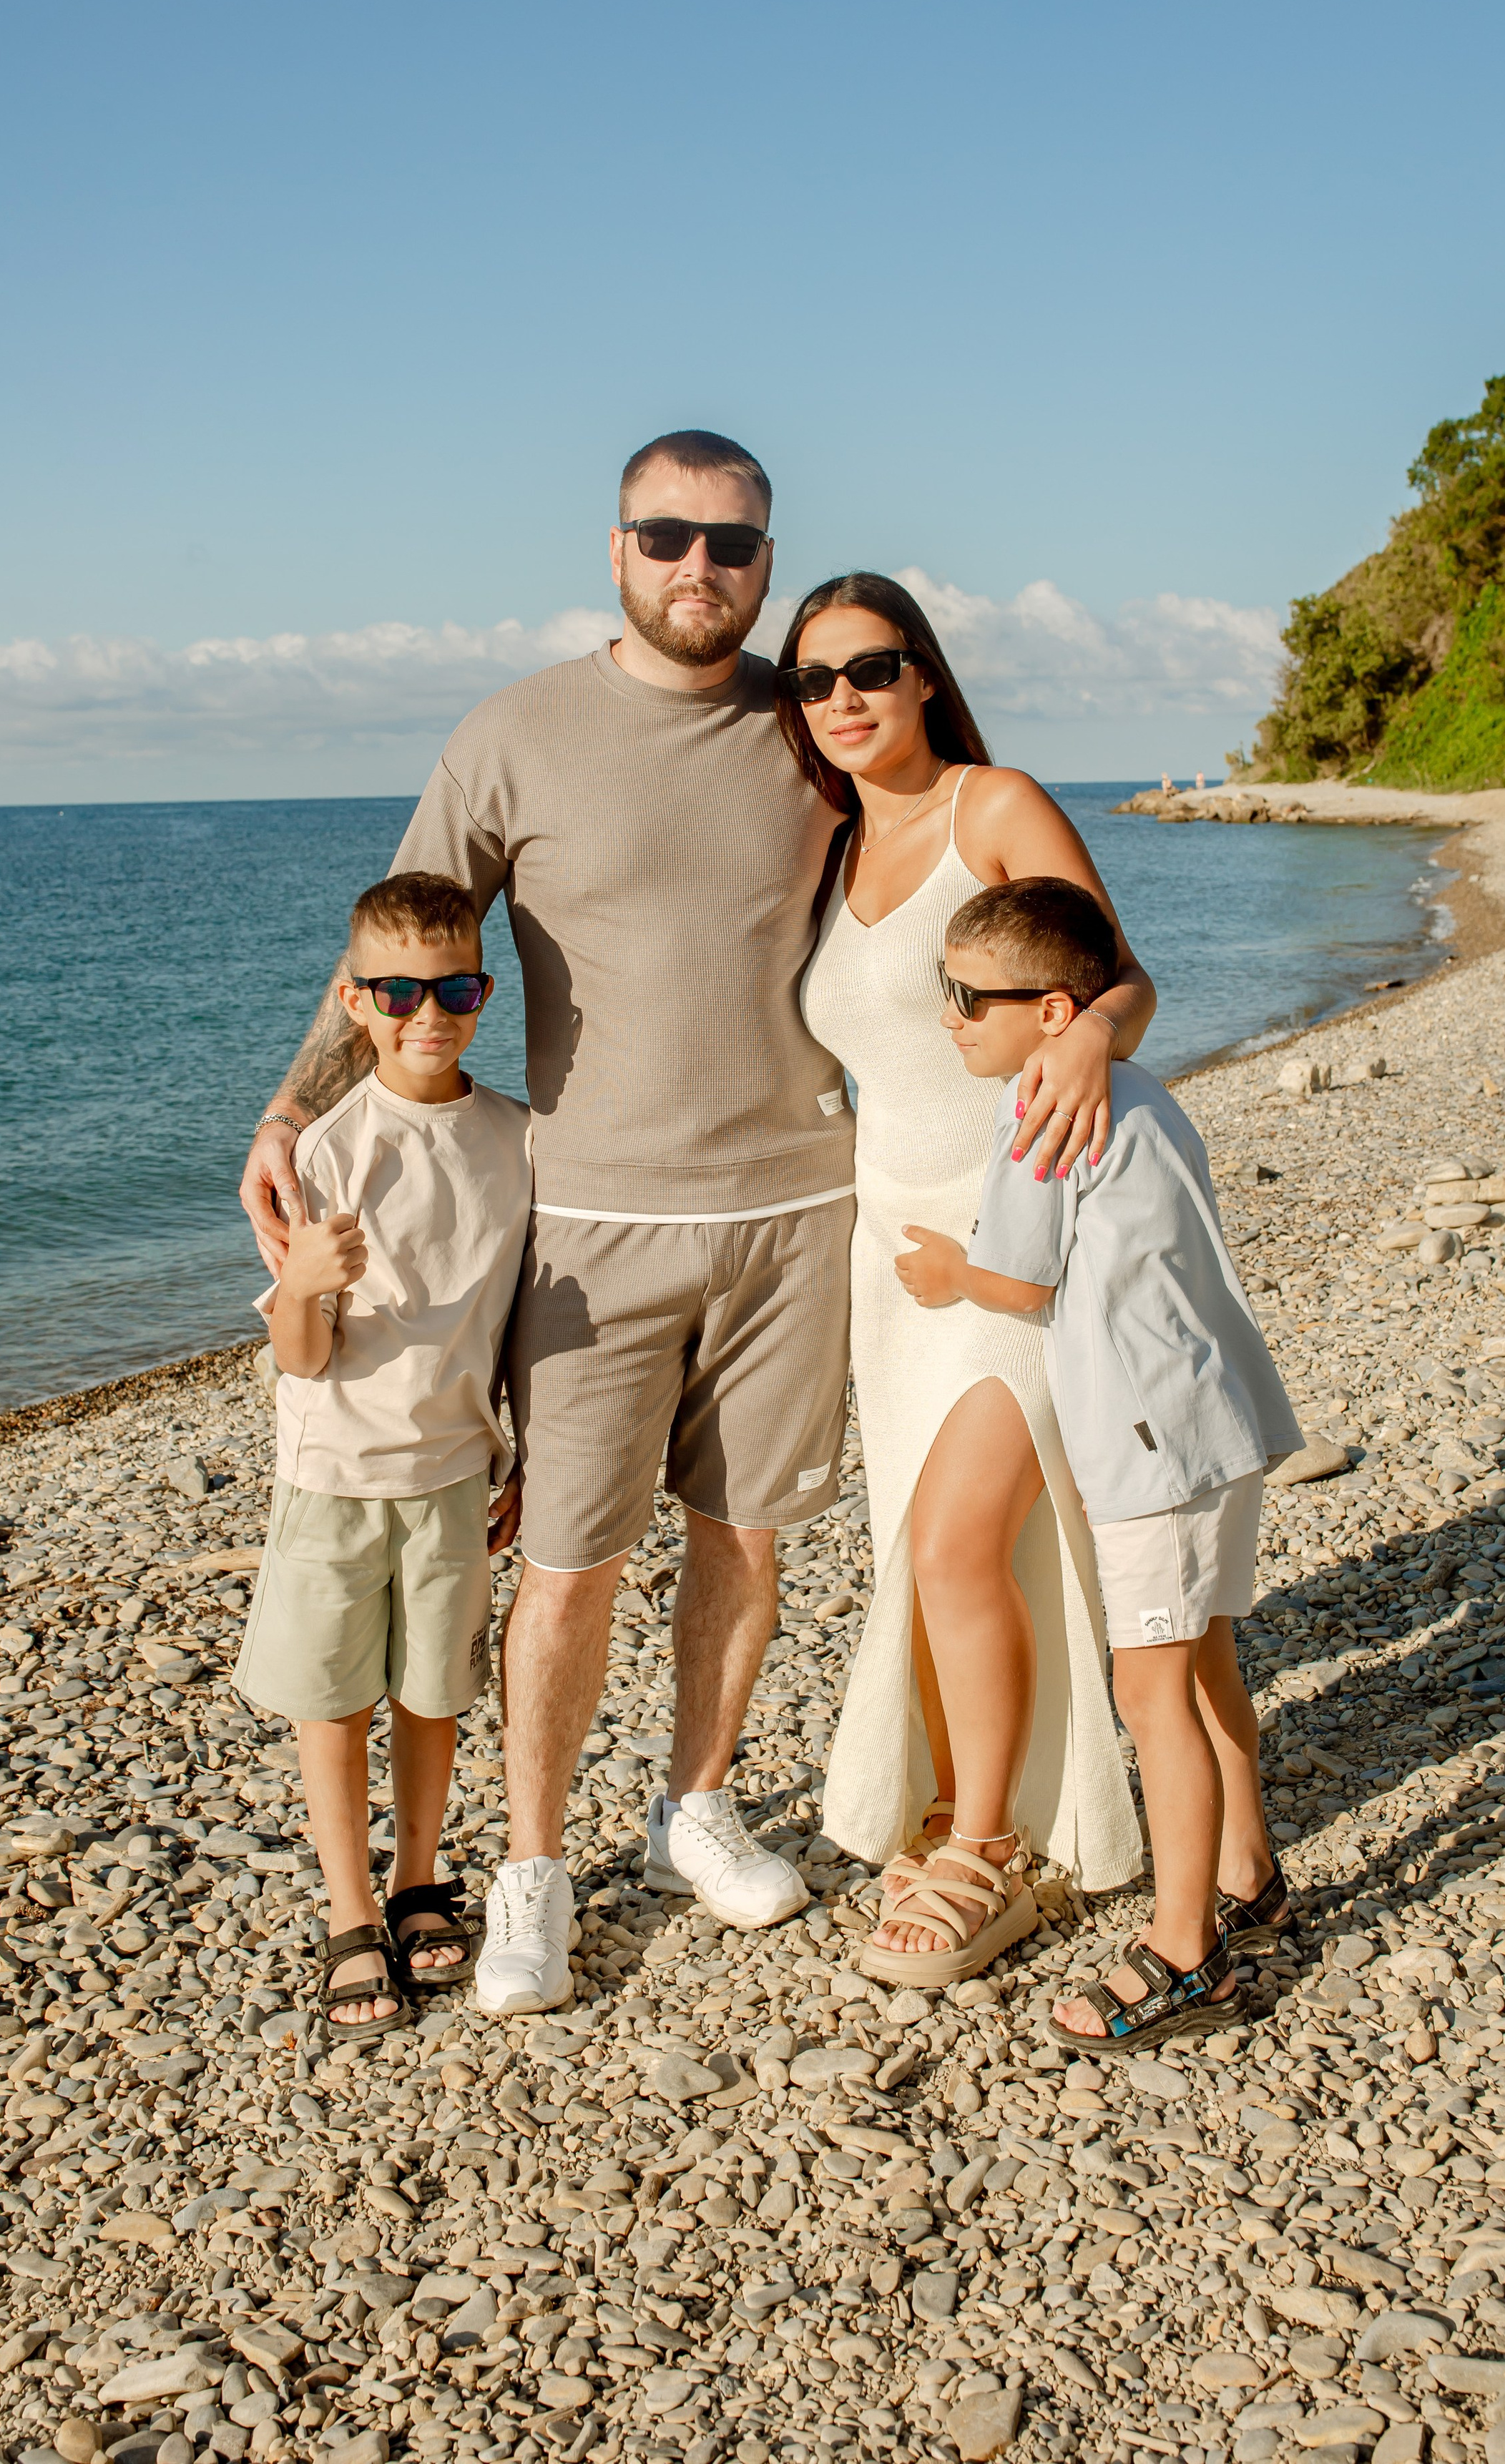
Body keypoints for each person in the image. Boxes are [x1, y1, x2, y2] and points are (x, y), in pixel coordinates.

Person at [240, 436, 1116, 2016]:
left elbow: (959, 878)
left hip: (800, 1213)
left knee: (748, 1535)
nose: (697, 568)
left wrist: (1076, 1027)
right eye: (666, 536)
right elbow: (395, 947)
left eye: (731, 544)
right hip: (586, 1223)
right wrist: (294, 1112)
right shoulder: (513, 733)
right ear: (617, 545)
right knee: (569, 1562)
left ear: (766, 562)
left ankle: (696, 1801)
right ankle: (530, 1873)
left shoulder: (809, 729)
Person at [787, 574, 1147, 1986]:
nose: (843, 700)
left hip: (1016, 1226)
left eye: (869, 668)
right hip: (889, 1255)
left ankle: (989, 1846)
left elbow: (1117, 978)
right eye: (813, 683)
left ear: (923, 674)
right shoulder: (823, 850)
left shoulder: (989, 806)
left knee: (957, 1541)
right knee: (932, 1556)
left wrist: (1085, 1041)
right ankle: (958, 1800)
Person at [898, 875, 1303, 2046]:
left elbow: (1022, 1285)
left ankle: (1187, 1953)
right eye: (948, 991)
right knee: (1208, 1653)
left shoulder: (1037, 1110)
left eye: (974, 999)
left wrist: (948, 1276)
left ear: (1056, 1014)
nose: (950, 1017)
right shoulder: (1141, 1091)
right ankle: (1249, 1875)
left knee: (1151, 1691)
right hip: (1215, 1418)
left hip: (1146, 1441)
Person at [235, 872, 531, 2038]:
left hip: (455, 1467)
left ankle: (420, 1876)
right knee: (334, 1700)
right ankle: (351, 1911)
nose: (427, 1013)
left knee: (433, 1693)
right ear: (355, 1001)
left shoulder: (513, 1138)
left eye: (451, 988)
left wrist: (527, 1449)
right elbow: (302, 1357)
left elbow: (518, 1313)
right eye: (399, 992)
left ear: (483, 990)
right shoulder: (329, 1150)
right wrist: (300, 1288)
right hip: (335, 1477)